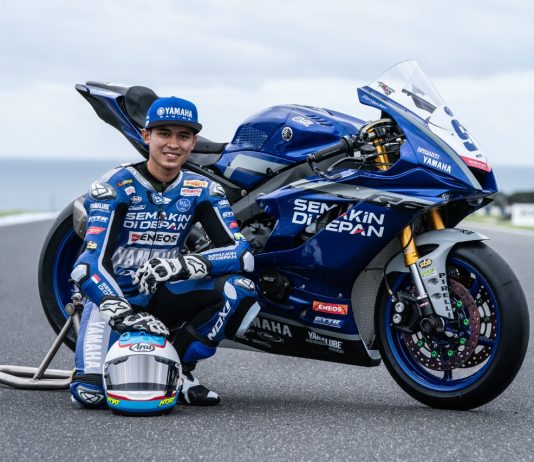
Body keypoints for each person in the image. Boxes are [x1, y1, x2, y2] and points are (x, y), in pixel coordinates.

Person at [69, 96, 259, 408]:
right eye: (164, 134)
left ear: (193, 142)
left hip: (163, 295)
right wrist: (125, 316)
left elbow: (242, 255)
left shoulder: (203, 189)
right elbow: (87, 266)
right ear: (147, 136)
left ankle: (180, 369)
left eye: (183, 136)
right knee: (90, 395)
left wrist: (184, 265)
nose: (173, 144)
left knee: (240, 288)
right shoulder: (114, 186)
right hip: (113, 301)